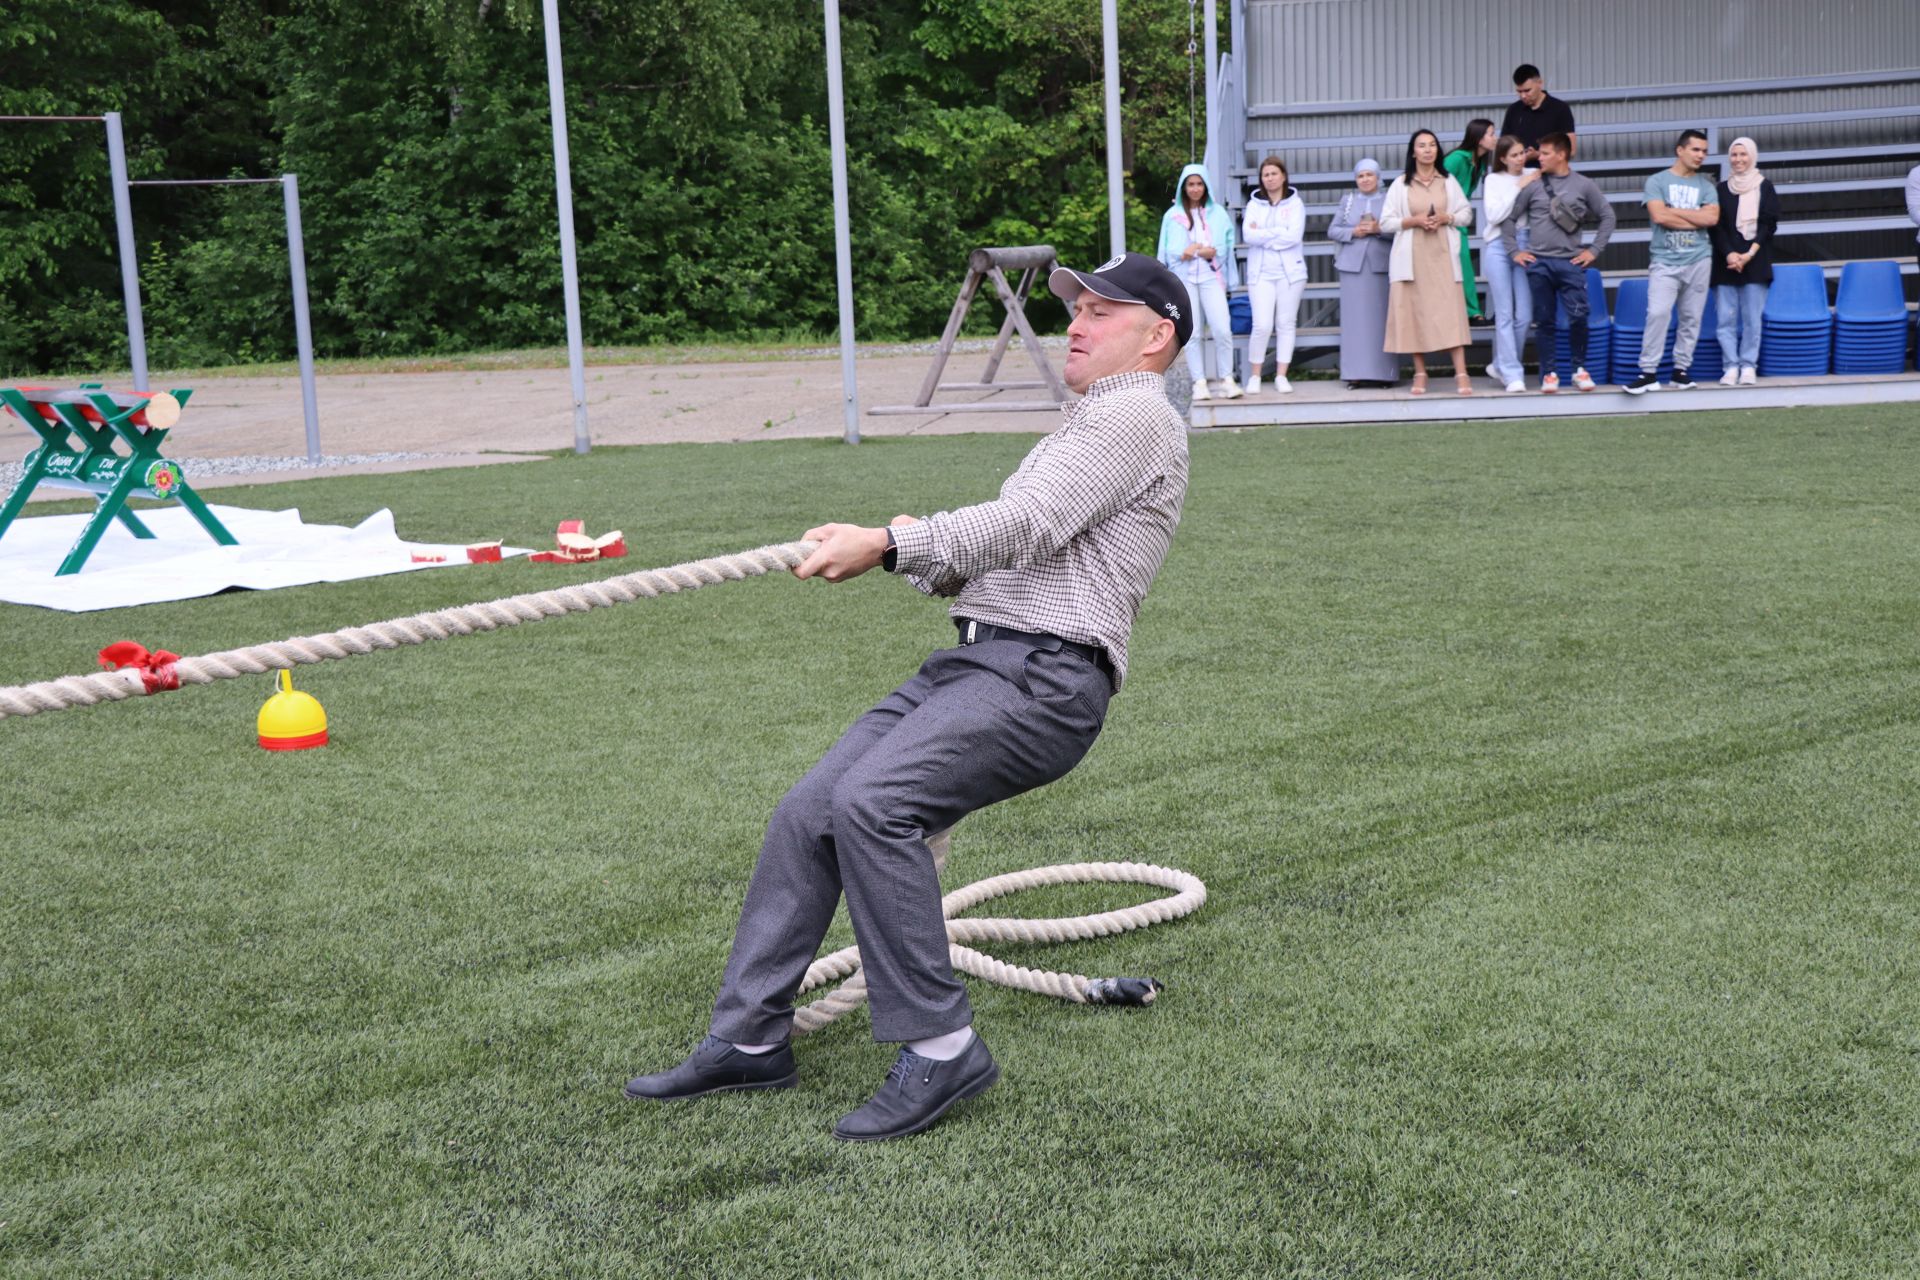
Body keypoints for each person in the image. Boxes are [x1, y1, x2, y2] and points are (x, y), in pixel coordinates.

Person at [622, 251, 1191, 1144]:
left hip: (1045, 677)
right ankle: (747, 1038)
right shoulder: (1090, 424)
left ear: (1157, 338)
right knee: (809, 811)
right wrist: (888, 548)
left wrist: (888, 542)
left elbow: (1024, 524)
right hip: (982, 664)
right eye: (1075, 308)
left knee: (873, 805)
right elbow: (1012, 546)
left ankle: (942, 1046)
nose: (1075, 322)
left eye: (1101, 312)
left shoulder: (1133, 418)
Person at [1504, 132, 1616, 393]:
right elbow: (1509, 219)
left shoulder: (1584, 185)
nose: (1538, 158)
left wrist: (1594, 250)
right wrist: (1514, 252)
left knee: (1579, 317)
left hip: (1571, 263)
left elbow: (1607, 216)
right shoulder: (1532, 185)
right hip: (1539, 263)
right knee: (1544, 321)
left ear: (1562, 154)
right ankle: (1550, 373)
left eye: (1544, 153)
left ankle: (1579, 369)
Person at [1382, 129, 1476, 396]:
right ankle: (1420, 372)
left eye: (1432, 145)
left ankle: (1461, 372)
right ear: (1413, 151)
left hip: (1443, 256)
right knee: (1414, 314)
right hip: (1411, 257)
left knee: (1452, 313)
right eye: (1422, 145)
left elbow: (1466, 214)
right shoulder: (1401, 184)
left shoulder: (1448, 182)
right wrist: (1415, 221)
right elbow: (1386, 222)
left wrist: (1446, 218)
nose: (1427, 150)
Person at [1627, 129, 1719, 395]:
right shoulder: (1657, 181)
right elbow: (1659, 217)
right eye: (1696, 150)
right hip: (1665, 261)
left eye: (1704, 151)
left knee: (1691, 318)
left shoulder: (1707, 186)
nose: (1701, 155)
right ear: (1680, 150)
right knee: (1657, 313)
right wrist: (1693, 215)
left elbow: (1711, 219)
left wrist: (1673, 210)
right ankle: (1648, 373)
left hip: (1699, 259)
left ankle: (1680, 371)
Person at [1157, 163, 1240, 400]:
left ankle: (1227, 378)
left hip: (1211, 278)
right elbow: (1171, 252)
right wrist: (1195, 250)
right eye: (1191, 184)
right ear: (1184, 187)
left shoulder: (1217, 214)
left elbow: (1222, 248)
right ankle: (1199, 381)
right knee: (1191, 333)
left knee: (1222, 328)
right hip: (1184, 280)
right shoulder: (1172, 216)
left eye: (1199, 184)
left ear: (1205, 186)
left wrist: (1195, 250)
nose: (1195, 189)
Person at [1709, 137, 1780, 386]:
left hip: (1756, 262)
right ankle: (1730, 366)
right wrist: (1730, 254)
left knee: (1752, 319)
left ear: (1752, 156)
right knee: (1725, 320)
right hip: (1725, 263)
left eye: (1743, 154)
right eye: (1734, 155)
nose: (1738, 159)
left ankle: (1748, 365)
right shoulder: (1719, 189)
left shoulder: (1765, 187)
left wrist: (1749, 253)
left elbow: (1768, 224)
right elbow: (1716, 227)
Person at [1326, 158, 1397, 387]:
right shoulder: (1347, 201)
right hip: (1352, 266)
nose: (1365, 180)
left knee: (1382, 320)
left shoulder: (1389, 200)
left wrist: (1378, 230)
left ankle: (1385, 373)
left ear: (1378, 177)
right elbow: (1333, 230)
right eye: (1360, 176)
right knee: (1354, 322)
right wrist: (1354, 232)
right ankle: (1354, 373)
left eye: (1369, 175)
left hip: (1381, 265)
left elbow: (1398, 230)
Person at [1241, 154, 1307, 395]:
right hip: (1261, 275)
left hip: (1291, 274)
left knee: (1285, 323)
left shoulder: (1295, 204)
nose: (1269, 179)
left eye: (1273, 174)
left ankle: (1281, 375)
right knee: (1262, 325)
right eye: (1265, 175)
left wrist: (1265, 234)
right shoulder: (1253, 205)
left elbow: (1294, 236)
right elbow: (1248, 235)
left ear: (1283, 176)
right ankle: (1255, 376)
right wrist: (1278, 233)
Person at [1482, 134, 1540, 393]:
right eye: (1513, 155)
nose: (1519, 159)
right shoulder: (1493, 179)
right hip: (1497, 244)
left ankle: (1500, 364)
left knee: (1525, 314)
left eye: (1521, 153)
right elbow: (1493, 216)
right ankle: (1513, 373)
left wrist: (1528, 179)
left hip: (1525, 243)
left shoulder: (1534, 173)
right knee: (1504, 313)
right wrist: (1519, 186)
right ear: (1502, 158)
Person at [1441, 119, 1496, 319]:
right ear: (1479, 138)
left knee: (1464, 265)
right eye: (1491, 134)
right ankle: (1467, 312)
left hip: (1457, 220)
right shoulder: (1456, 159)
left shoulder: (1480, 163)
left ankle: (1472, 312)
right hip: (1443, 219)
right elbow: (1437, 184)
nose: (1494, 138)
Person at [1499, 64, 1578, 167]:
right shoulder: (1513, 110)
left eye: (1527, 91)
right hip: (1518, 174)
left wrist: (1539, 155)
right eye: (1519, 91)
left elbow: (1571, 150)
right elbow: (1504, 147)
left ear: (1540, 83)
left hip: (1550, 174)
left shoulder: (1560, 109)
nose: (1523, 96)